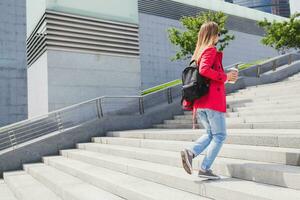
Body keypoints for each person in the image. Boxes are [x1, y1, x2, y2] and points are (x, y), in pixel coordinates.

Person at [180, 21, 238, 179]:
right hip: (212, 102)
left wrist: (225, 77)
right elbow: (204, 70)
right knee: (220, 136)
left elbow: (204, 72)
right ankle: (204, 168)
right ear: (212, 35)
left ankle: (190, 153)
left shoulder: (198, 53)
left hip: (200, 103)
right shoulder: (210, 50)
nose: (219, 37)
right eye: (218, 34)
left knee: (211, 134)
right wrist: (226, 76)